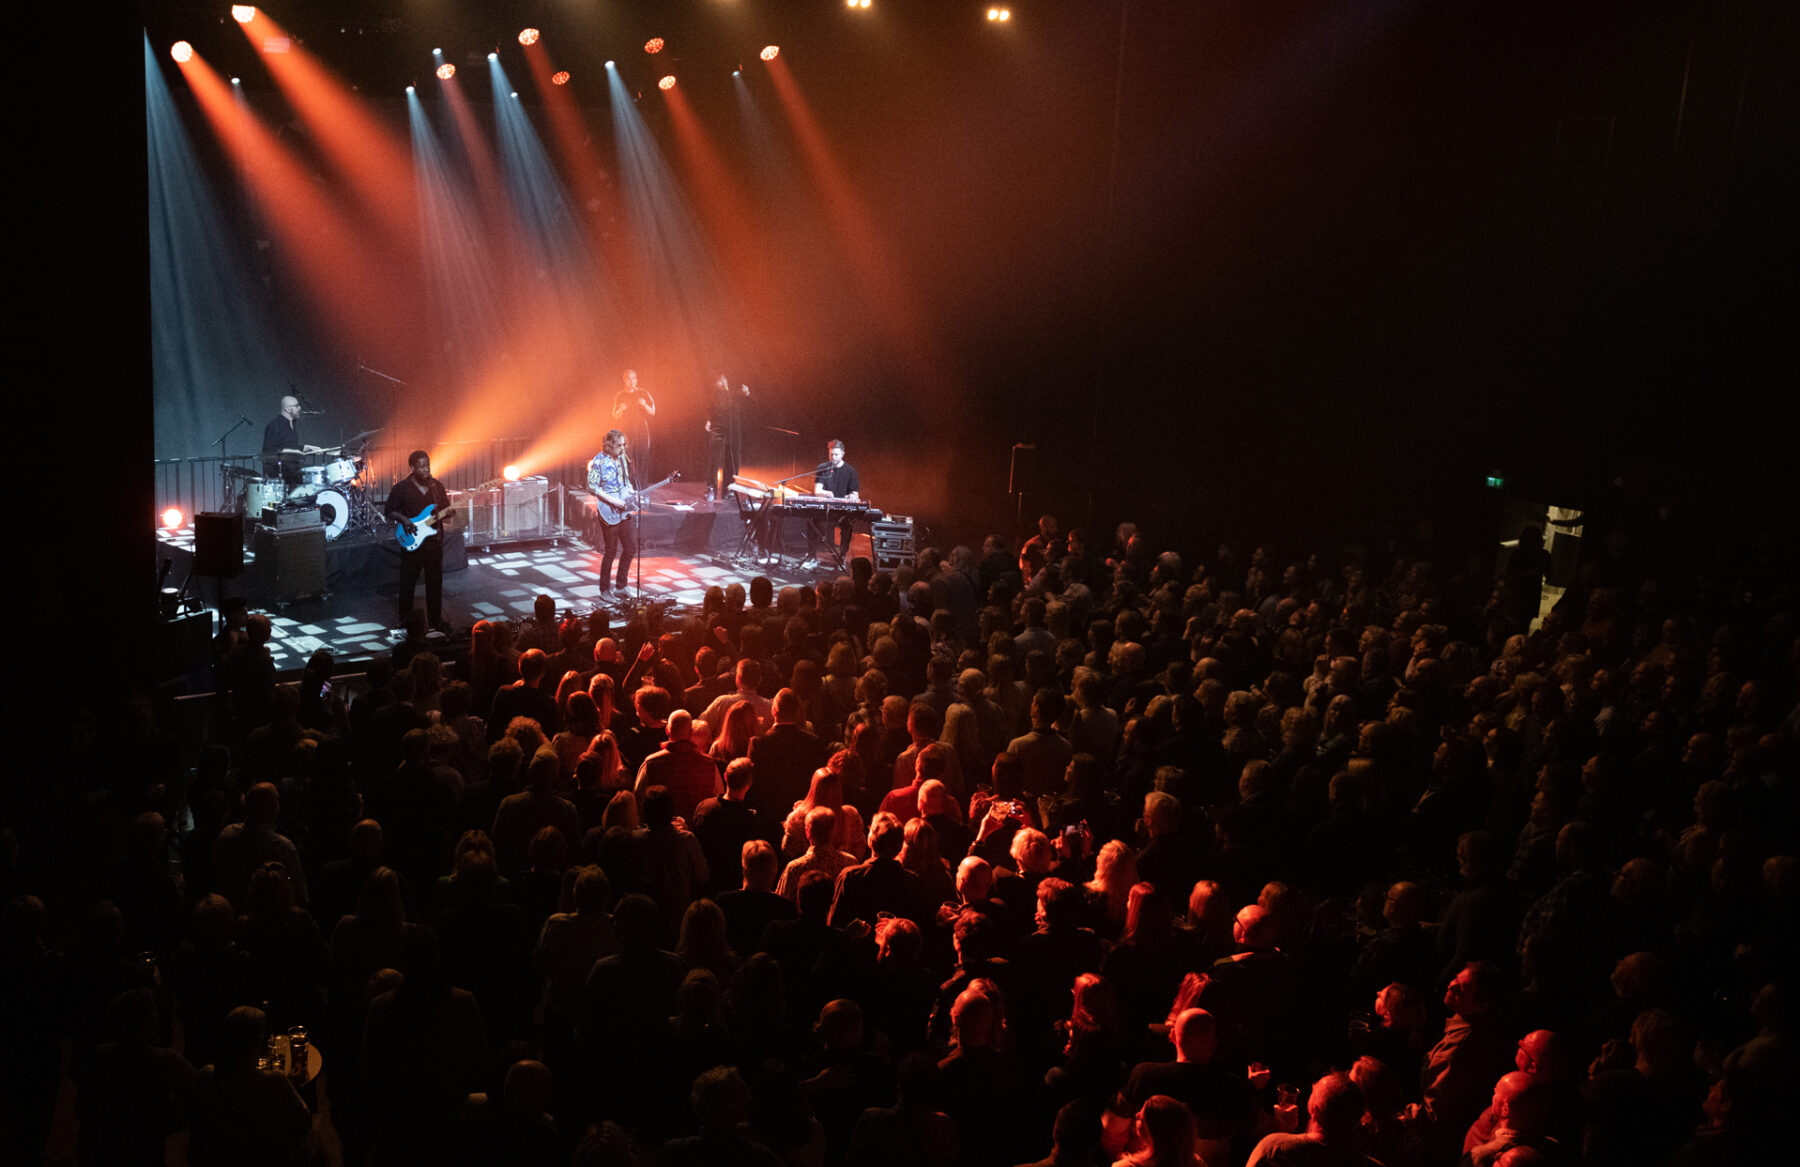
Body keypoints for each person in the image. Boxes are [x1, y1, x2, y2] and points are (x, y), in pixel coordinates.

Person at [384, 449, 453, 634]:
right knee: (408, 582)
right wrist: (405, 520)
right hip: (412, 542)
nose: (426, 469)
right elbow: (389, 510)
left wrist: (450, 512)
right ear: (412, 468)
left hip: (433, 542)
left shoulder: (436, 487)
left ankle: (435, 620)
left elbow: (446, 510)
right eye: (421, 466)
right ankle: (404, 619)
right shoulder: (401, 488)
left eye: (427, 465)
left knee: (434, 582)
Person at [587, 429, 640, 599]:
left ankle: (621, 586)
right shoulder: (598, 461)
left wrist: (632, 492)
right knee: (611, 551)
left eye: (624, 445)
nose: (622, 449)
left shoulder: (623, 459)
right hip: (608, 510)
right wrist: (613, 501)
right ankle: (604, 591)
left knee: (630, 547)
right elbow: (592, 487)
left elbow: (626, 483)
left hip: (623, 510)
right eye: (619, 445)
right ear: (609, 445)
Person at [803, 439, 861, 569]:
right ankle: (811, 555)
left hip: (842, 512)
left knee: (847, 524)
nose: (833, 457)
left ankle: (841, 556)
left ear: (842, 454)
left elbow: (855, 494)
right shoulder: (822, 468)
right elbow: (817, 491)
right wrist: (826, 493)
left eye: (836, 454)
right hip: (825, 510)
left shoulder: (851, 471)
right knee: (811, 520)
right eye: (831, 454)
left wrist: (852, 496)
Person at [262, 394, 321, 487]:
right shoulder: (274, 426)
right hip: (280, 474)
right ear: (287, 409)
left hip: (292, 472)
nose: (300, 408)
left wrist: (310, 447)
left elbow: (292, 446)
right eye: (297, 406)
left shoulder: (292, 424)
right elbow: (270, 451)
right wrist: (295, 452)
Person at [705, 374, 749, 498]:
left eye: (724, 379)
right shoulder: (712, 396)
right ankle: (710, 489)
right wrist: (708, 421)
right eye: (719, 380)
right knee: (714, 461)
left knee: (732, 461)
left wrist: (746, 392)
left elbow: (745, 395)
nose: (722, 382)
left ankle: (729, 490)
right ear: (715, 383)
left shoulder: (732, 395)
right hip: (717, 430)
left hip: (732, 432)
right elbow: (707, 410)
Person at [612, 368, 657, 480]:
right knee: (626, 458)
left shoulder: (643, 393)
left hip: (641, 429)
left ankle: (642, 491)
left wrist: (644, 405)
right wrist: (621, 409)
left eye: (633, 378)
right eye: (628, 379)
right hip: (626, 430)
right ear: (624, 380)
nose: (631, 381)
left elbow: (653, 412)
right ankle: (628, 489)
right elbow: (615, 416)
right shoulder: (620, 395)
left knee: (642, 459)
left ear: (636, 379)